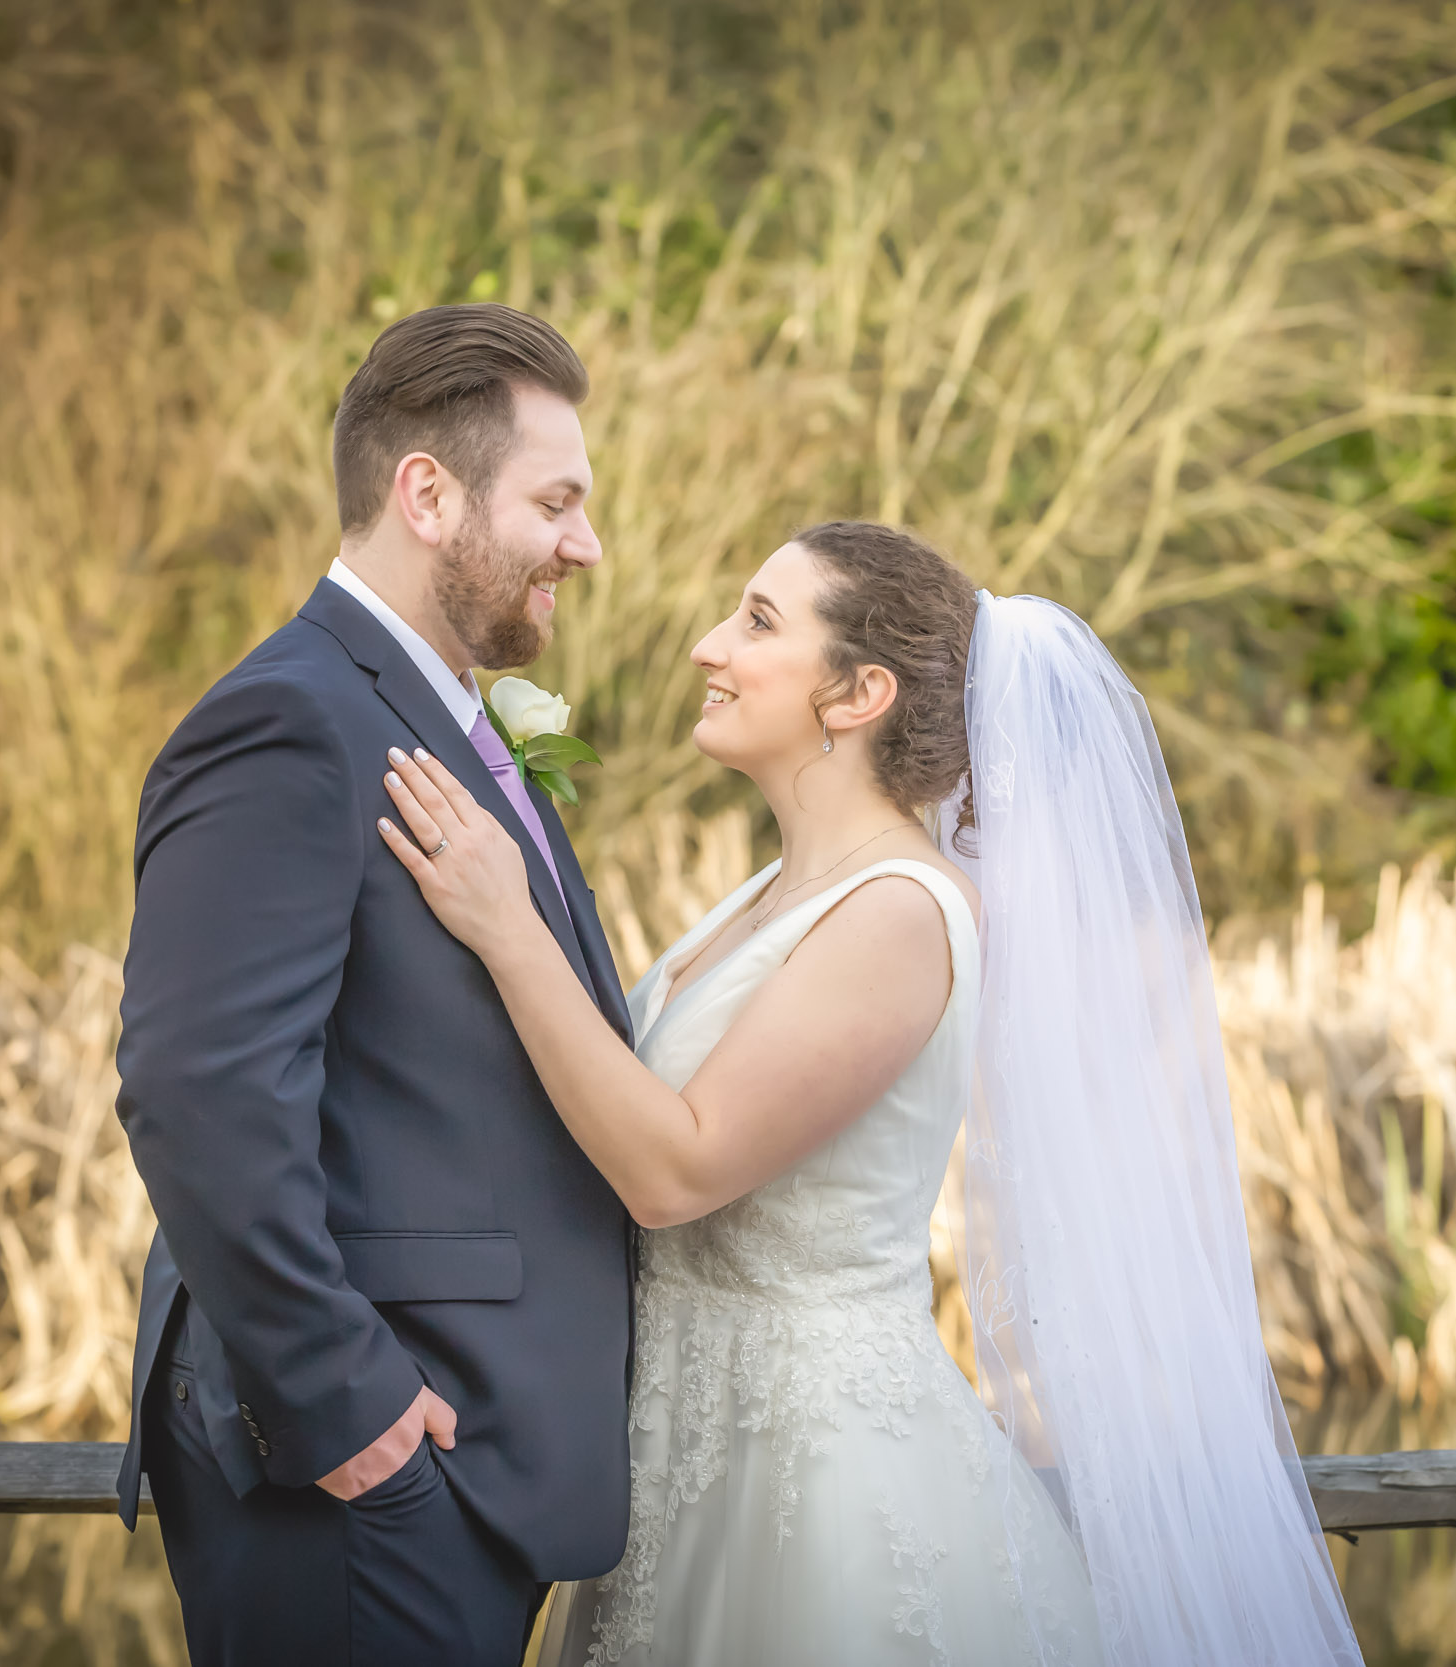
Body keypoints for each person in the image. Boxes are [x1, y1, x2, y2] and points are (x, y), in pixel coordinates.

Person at [378, 522, 1367, 1665]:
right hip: (683, 1462)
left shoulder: (904, 910)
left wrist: (509, 929)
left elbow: (673, 1170)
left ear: (858, 693)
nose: (708, 645)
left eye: (756, 621)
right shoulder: (770, 891)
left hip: (820, 1485)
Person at [112, 303, 634, 1666]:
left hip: (472, 1460)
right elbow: (199, 1083)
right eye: (558, 500)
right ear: (427, 493)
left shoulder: (432, 713)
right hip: (369, 1475)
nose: (586, 543)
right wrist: (343, 1404)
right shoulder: (291, 717)